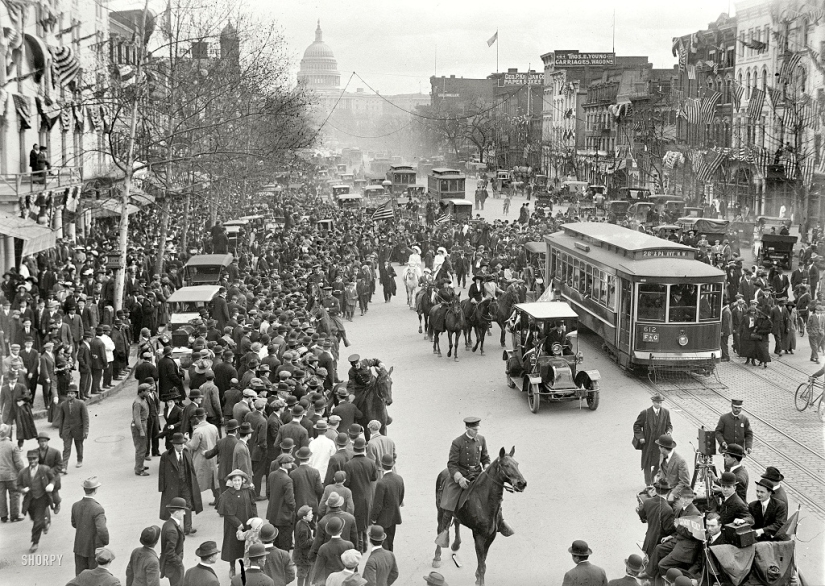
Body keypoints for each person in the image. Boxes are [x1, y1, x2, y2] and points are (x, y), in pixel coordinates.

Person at [439, 416, 513, 546]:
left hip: (478, 474)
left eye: (477, 429)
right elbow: (451, 464)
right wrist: (459, 478)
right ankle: (444, 531)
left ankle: (500, 522)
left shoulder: (481, 440)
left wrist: (486, 467)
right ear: (467, 428)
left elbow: (485, 458)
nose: (476, 431)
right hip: (462, 475)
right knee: (450, 502)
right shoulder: (457, 442)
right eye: (474, 429)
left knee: (494, 495)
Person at [646, 488, 701, 579]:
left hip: (687, 546)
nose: (686, 500)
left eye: (689, 498)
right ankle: (650, 574)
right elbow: (678, 530)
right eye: (684, 497)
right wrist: (670, 536)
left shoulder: (695, 513)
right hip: (678, 540)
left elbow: (692, 534)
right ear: (680, 498)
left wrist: (678, 527)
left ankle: (676, 580)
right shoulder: (681, 509)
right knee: (659, 548)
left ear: (693, 498)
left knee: (662, 565)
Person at [158, 432, 203, 535]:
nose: (182, 446)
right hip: (172, 486)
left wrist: (194, 483)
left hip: (185, 484)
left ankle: (188, 528)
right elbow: (161, 472)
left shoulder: (187, 453)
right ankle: (174, 527)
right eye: (179, 444)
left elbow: (191, 469)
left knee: (188, 505)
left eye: (183, 443)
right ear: (174, 445)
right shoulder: (166, 455)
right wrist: (162, 487)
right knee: (173, 507)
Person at [217, 469, 258, 576]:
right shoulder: (226, 495)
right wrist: (238, 524)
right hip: (233, 526)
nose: (237, 483)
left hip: (248, 522)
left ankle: (249, 567)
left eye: (239, 480)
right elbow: (227, 513)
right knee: (232, 547)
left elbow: (253, 505)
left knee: (248, 545)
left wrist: (255, 519)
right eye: (234, 480)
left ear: (242, 480)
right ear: (231, 481)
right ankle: (232, 567)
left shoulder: (247, 491)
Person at [344, 436, 379, 552]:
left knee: (356, 522)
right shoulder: (371, 462)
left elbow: (347, 482)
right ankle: (364, 545)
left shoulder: (348, 465)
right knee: (365, 521)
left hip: (354, 496)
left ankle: (358, 546)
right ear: (364, 448)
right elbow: (374, 478)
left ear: (354, 448)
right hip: (367, 495)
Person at [17, 448, 55, 552]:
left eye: (34, 458)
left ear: (38, 459)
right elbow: (18, 485)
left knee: (37, 521)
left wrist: (51, 484)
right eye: (30, 459)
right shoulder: (23, 472)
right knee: (34, 519)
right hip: (30, 500)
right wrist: (22, 490)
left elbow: (53, 478)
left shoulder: (44, 469)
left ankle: (35, 543)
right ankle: (45, 522)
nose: (32, 461)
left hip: (42, 498)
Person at [71, 476, 110, 575]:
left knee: (81, 576)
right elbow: (102, 529)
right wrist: (105, 542)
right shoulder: (97, 508)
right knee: (94, 576)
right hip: (94, 548)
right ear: (95, 490)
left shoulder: (75, 505)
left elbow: (74, 523)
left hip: (79, 546)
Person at [632, 394, 673, 485]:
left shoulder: (666, 412)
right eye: (657, 402)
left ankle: (652, 478)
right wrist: (641, 437)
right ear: (653, 402)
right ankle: (648, 484)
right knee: (647, 463)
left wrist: (669, 432)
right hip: (648, 443)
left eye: (660, 402)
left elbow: (669, 425)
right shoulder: (645, 413)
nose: (659, 404)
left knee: (659, 463)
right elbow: (637, 425)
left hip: (659, 444)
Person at [370, 454, 403, 551]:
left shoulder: (381, 483)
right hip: (394, 515)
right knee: (391, 541)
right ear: (393, 464)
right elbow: (401, 497)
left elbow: (378, 504)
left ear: (381, 465)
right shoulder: (399, 478)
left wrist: (373, 518)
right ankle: (391, 557)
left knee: (383, 544)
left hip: (382, 519)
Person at [637, 478, 674, 563]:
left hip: (648, 540)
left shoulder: (647, 502)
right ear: (669, 492)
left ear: (656, 490)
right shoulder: (668, 509)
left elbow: (642, 516)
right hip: (659, 543)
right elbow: (669, 529)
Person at [311, 516, 354, 586]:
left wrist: (314, 580)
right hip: (345, 580)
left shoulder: (323, 548)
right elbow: (353, 563)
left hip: (330, 580)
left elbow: (319, 566)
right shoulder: (349, 545)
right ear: (341, 530)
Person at [266, 453, 296, 551]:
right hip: (285, 517)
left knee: (275, 541)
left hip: (273, 514)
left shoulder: (272, 475)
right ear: (283, 464)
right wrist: (293, 509)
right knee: (285, 543)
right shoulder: (287, 480)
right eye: (288, 462)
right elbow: (290, 501)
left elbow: (268, 493)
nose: (291, 463)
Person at [55, 383, 89, 469]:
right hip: (67, 430)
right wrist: (61, 431)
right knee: (66, 448)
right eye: (68, 393)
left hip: (78, 429)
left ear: (76, 394)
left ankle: (79, 460)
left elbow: (85, 418)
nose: (69, 395)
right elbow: (61, 419)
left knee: (79, 446)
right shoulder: (63, 404)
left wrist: (85, 431)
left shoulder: (81, 403)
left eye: (72, 393)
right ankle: (64, 466)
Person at [160, 497, 189, 586]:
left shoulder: (167, 524)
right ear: (176, 513)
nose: (184, 513)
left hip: (172, 565)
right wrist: (179, 562)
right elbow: (170, 552)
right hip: (174, 567)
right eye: (182, 511)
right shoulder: (172, 530)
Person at [655, 434, 690, 502]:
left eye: (659, 446)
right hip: (662, 490)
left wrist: (673, 494)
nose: (658, 448)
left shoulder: (680, 461)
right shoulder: (662, 455)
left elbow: (685, 482)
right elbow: (660, 470)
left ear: (663, 448)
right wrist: (657, 482)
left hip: (675, 494)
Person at [0, 423, 24, 522]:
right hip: (11, 475)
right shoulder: (12, 446)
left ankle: (3, 515)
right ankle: (14, 515)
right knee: (14, 494)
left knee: (1, 495)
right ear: (8, 433)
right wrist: (23, 472)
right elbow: (18, 462)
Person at [294, 505, 315, 586]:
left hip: (300, 556)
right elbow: (303, 544)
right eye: (310, 514)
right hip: (303, 557)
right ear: (304, 517)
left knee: (306, 574)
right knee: (302, 575)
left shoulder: (300, 523)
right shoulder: (303, 528)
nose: (312, 515)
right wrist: (313, 539)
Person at [132, 384, 151, 476]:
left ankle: (140, 465)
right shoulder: (138, 403)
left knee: (143, 447)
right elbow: (137, 418)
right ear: (142, 391)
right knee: (141, 448)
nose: (149, 393)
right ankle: (139, 470)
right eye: (147, 391)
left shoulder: (143, 399)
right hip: (139, 425)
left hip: (144, 424)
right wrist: (141, 430)